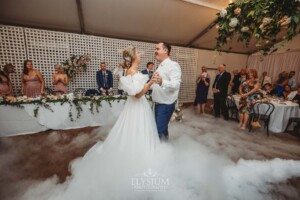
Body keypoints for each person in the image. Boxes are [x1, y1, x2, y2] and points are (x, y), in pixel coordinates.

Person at [152, 42, 181, 141]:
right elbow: (156, 85)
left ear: (165, 50)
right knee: (162, 131)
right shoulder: (160, 66)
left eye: (157, 49)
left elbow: (176, 85)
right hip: (158, 104)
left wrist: (162, 82)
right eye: (155, 49)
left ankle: (162, 153)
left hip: (165, 105)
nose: (155, 51)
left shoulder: (173, 65)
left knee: (159, 132)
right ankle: (165, 151)